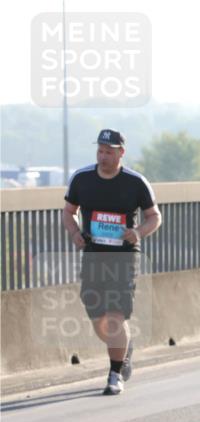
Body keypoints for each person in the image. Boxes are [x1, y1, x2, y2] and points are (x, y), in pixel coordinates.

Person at [62, 129, 161, 395]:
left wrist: (138, 232)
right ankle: (124, 348)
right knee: (98, 317)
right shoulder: (81, 178)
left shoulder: (135, 182)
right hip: (93, 255)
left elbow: (154, 216)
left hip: (124, 257)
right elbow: (69, 212)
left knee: (116, 315)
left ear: (121, 153)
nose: (103, 156)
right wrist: (74, 232)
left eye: (108, 152)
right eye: (100, 151)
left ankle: (115, 374)